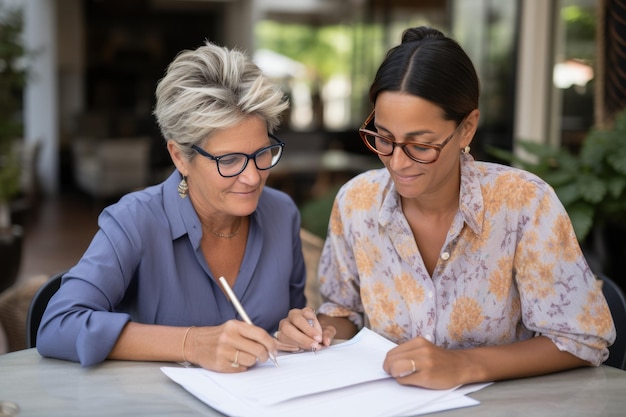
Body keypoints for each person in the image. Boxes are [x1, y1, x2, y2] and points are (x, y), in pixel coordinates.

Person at [277, 26, 616, 389]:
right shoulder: (356, 202)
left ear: (467, 128)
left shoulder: (523, 202)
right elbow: (345, 312)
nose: (397, 163)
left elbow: (582, 340)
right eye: (383, 138)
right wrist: (320, 331)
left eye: (420, 146)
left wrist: (464, 365)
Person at [37, 41, 306, 372]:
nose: (253, 177)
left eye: (262, 152)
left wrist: (296, 328)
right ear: (180, 157)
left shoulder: (283, 213)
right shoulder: (135, 221)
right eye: (230, 160)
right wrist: (191, 343)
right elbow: (57, 325)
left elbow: (288, 325)